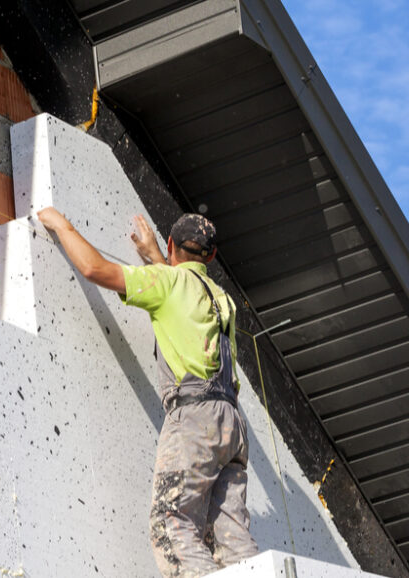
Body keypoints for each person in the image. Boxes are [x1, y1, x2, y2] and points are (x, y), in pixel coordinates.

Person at [36, 207, 258, 577]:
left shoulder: (168, 284)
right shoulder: (221, 298)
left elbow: (95, 269)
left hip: (195, 422)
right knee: (231, 537)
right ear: (212, 256)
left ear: (171, 244)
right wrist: (158, 258)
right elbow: (185, 293)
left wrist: (63, 225)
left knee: (171, 523)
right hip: (231, 425)